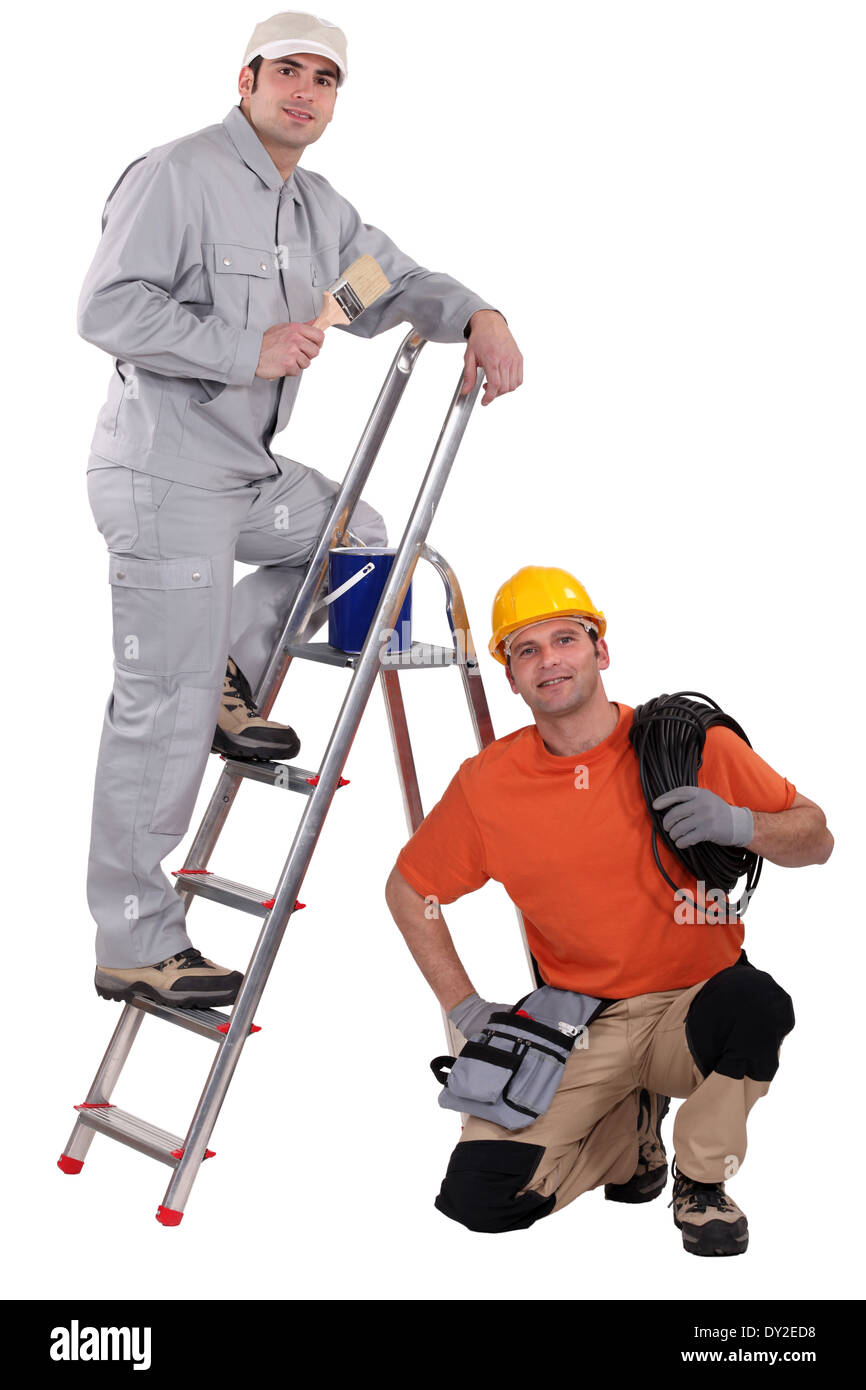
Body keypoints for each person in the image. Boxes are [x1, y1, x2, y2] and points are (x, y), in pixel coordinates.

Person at [79, 11, 523, 1010]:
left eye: (324, 79)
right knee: (161, 710)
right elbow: (107, 306)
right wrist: (251, 348)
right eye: (287, 71)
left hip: (245, 471)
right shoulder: (178, 175)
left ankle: (235, 669)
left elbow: (393, 284)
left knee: (361, 536)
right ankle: (136, 941)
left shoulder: (316, 213)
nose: (305, 91)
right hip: (163, 477)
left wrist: (477, 315)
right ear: (245, 80)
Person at [385, 566, 833, 1255]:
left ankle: (701, 1179)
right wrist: (463, 1005)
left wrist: (743, 825)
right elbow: (412, 890)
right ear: (509, 676)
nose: (549, 661)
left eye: (565, 638)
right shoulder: (488, 785)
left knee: (758, 1004)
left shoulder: (690, 746)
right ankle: (630, 1143)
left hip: (693, 1005)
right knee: (479, 1200)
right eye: (526, 650)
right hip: (577, 1020)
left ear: (601, 650)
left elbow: (816, 836)